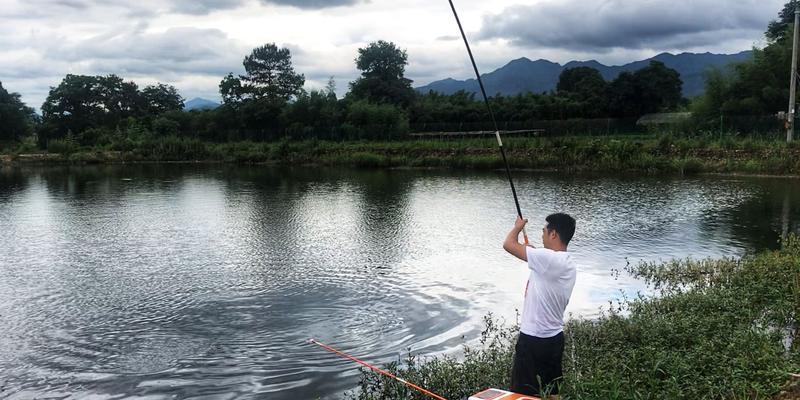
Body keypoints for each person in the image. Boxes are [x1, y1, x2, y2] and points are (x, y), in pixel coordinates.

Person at [502, 213, 577, 397]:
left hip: (533, 341)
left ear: (553, 234)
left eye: (544, 231)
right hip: (554, 339)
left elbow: (508, 245)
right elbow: (540, 262)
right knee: (553, 392)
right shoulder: (566, 263)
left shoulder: (547, 259)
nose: (542, 235)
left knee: (522, 395)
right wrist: (531, 251)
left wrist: (518, 227)